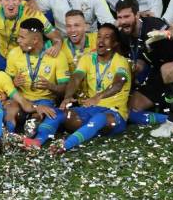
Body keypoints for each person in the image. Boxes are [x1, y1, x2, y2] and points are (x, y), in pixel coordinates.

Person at [116, 0, 173, 137]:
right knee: (132, 107)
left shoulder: (152, 24)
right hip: (158, 71)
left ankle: (172, 121)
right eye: (120, 17)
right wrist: (135, 66)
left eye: (127, 16)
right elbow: (142, 57)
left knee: (167, 70)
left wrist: (165, 33)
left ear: (137, 15)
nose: (123, 21)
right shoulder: (124, 34)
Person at [50, 23, 131, 155]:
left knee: (99, 119)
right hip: (90, 109)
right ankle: (37, 141)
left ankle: (66, 145)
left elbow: (118, 84)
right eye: (99, 36)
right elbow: (76, 78)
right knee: (63, 114)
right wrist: (67, 97)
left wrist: (98, 97)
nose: (101, 41)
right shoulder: (87, 58)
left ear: (115, 43)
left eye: (106, 37)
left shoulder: (120, 61)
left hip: (114, 113)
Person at [2, 18, 69, 149]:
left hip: (44, 101)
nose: (18, 40)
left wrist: (50, 86)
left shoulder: (57, 56)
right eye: (18, 36)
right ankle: (7, 134)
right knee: (10, 107)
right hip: (21, 100)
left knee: (40, 115)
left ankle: (30, 133)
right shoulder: (14, 53)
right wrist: (14, 83)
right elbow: (6, 84)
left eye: (22, 37)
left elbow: (65, 89)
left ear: (35, 40)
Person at [0, 0, 62, 71]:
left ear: (20, 1)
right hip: (3, 55)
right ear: (0, 1)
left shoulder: (31, 12)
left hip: (25, 56)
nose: (11, 4)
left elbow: (56, 37)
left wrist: (57, 45)